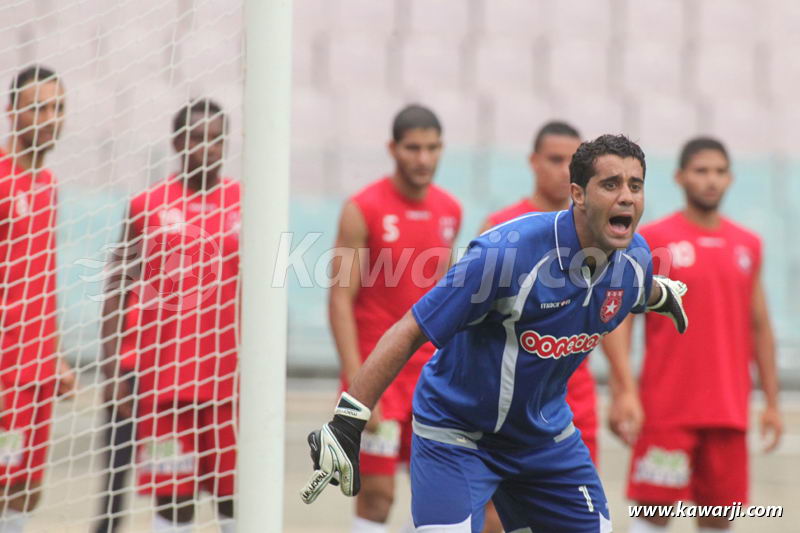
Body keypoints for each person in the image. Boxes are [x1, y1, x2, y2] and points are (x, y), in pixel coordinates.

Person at [303, 134, 689, 532]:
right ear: (578, 193)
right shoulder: (505, 255)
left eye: (635, 185)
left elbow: (637, 287)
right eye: (611, 184)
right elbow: (409, 330)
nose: (626, 196)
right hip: (456, 435)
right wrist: (347, 421)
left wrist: (660, 295)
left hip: (544, 440)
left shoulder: (637, 259)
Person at [605, 137, 782, 533]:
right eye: (702, 171)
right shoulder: (651, 240)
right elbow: (618, 319)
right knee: (652, 514)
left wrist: (770, 401)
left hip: (729, 411)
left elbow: (760, 326)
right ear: (680, 177)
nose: (711, 180)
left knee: (719, 521)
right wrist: (624, 389)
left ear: (731, 178)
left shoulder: (747, 244)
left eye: (719, 172)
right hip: (667, 409)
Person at [108, 98, 240, 533]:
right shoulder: (147, 205)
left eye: (216, 138)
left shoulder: (249, 203)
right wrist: (113, 370)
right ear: (178, 142)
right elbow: (117, 286)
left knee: (232, 499)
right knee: (174, 503)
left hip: (229, 382)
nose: (208, 147)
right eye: (198, 137)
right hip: (165, 379)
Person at [328, 104, 461, 533]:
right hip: (377, 373)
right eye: (413, 148)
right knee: (377, 496)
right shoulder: (361, 208)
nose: (423, 159)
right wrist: (358, 385)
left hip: (431, 379)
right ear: (393, 148)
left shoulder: (450, 211)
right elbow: (340, 299)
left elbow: (447, 300)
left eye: (432, 148)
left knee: (439, 495)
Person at [0, 64, 75, 533]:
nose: (51, 117)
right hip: (5, 369)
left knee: (26, 488)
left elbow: (37, 278)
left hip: (37, 369)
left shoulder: (47, 186)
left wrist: (55, 356)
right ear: (11, 113)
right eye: (38, 107)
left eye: (59, 107)